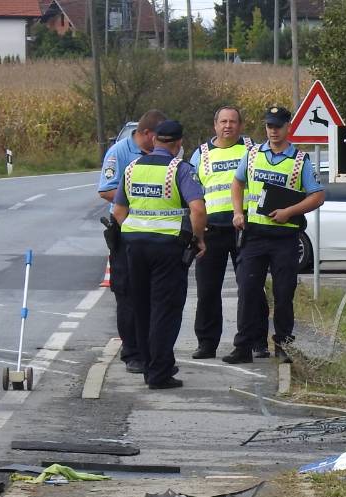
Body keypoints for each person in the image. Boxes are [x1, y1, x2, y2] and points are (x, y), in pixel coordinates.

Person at [112, 119, 207, 390]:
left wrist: (137, 230)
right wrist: (199, 239)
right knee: (165, 310)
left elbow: (119, 212)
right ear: (178, 144)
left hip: (134, 247)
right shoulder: (180, 169)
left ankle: (146, 365)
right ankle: (160, 373)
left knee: (142, 308)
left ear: (155, 140)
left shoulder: (131, 169)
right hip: (167, 249)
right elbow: (197, 210)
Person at [226, 105, 325, 364]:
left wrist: (289, 211)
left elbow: (317, 196)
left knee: (283, 293)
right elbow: (237, 183)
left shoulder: (300, 160)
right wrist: (238, 212)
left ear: (287, 127)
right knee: (247, 290)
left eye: (278, 126)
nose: (273, 131)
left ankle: (283, 345)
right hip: (254, 235)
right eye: (269, 126)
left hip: (285, 237)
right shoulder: (252, 154)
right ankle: (243, 346)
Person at [99, 110, 166, 375]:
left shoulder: (163, 154)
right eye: (158, 137)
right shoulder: (120, 153)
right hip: (126, 235)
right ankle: (132, 353)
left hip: (154, 236)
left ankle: (150, 348)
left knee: (152, 295)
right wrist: (139, 193)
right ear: (148, 134)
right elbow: (105, 190)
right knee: (127, 295)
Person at [187, 106, 252, 360]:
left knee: (249, 287)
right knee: (207, 290)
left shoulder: (251, 149)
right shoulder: (200, 154)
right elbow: (192, 191)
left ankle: (253, 341)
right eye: (223, 121)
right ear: (215, 125)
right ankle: (206, 343)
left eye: (233, 121)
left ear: (241, 125)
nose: (228, 126)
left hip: (243, 228)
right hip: (210, 230)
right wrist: (196, 230)